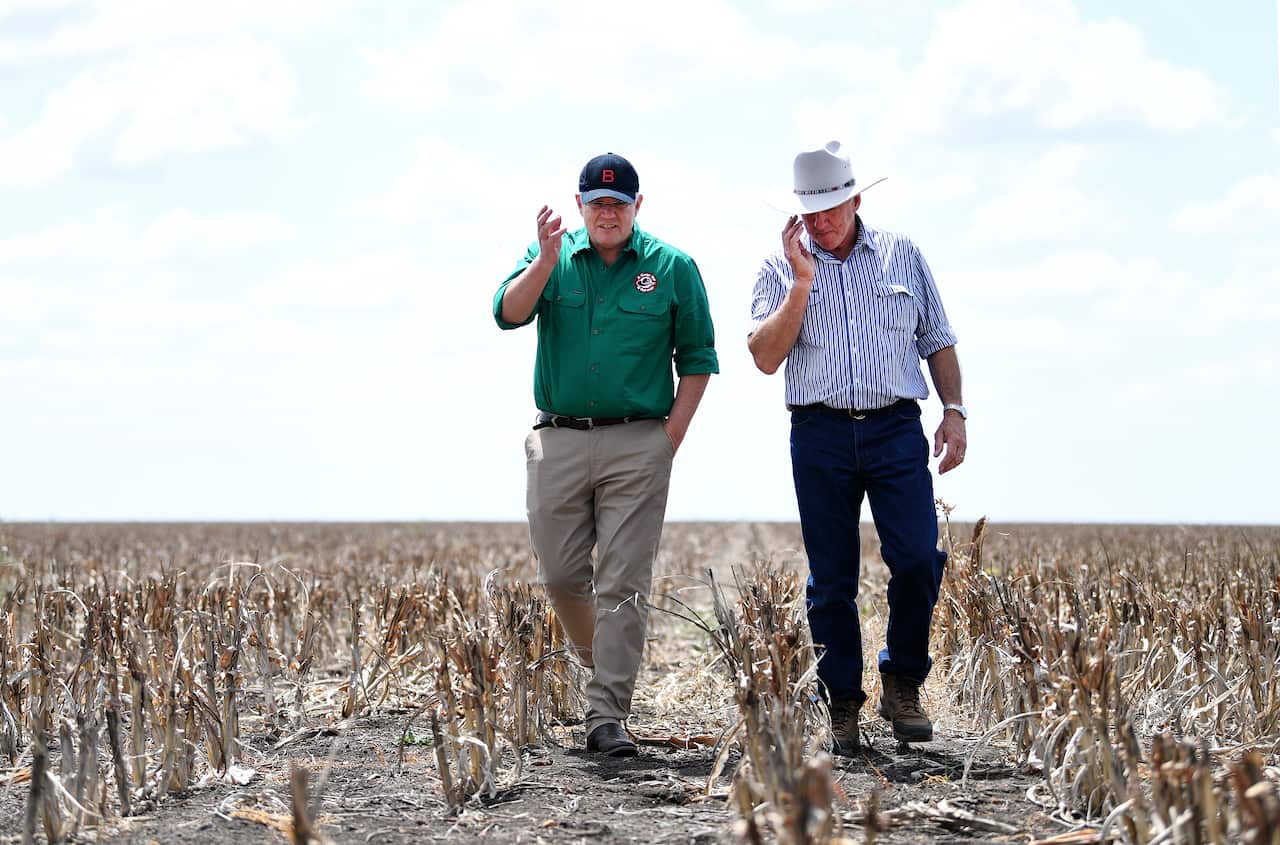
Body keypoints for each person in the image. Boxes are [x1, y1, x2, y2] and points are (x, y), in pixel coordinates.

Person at [493, 152, 718, 757]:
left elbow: (697, 361)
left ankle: (606, 715)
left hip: (637, 443)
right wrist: (543, 259)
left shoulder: (673, 267)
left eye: (619, 204)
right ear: (580, 206)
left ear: (637, 207)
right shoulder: (553, 257)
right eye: (597, 203)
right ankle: (608, 670)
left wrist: (666, 441)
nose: (608, 213)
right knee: (562, 576)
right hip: (558, 439)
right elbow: (507, 314)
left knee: (623, 581)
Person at [747, 140, 967, 752]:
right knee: (832, 577)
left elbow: (938, 339)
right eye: (811, 212)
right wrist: (801, 283)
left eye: (832, 209)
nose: (822, 222)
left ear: (856, 199)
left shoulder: (904, 255)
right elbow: (765, 358)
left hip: (896, 426)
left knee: (920, 557)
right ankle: (841, 701)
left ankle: (903, 683)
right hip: (818, 432)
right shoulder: (778, 268)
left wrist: (953, 412)